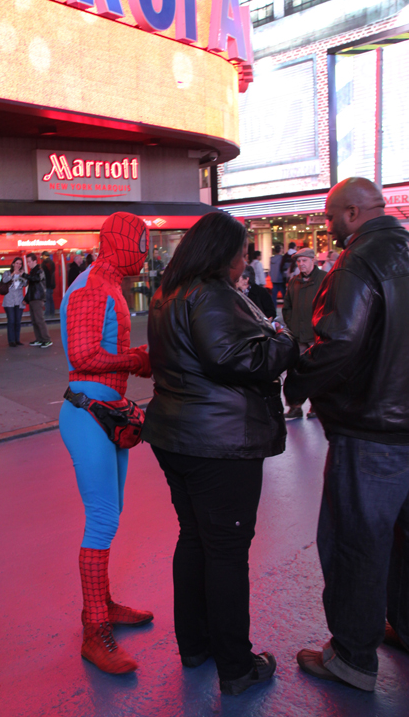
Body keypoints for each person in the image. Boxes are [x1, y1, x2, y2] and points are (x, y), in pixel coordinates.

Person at [142, 211, 299, 696]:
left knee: (195, 540)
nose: (245, 260)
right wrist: (284, 341)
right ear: (223, 253)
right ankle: (236, 666)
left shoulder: (170, 293)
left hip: (178, 436)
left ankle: (196, 645)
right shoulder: (209, 295)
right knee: (227, 552)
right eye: (242, 251)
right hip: (219, 442)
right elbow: (236, 358)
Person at [284, 177, 409, 692]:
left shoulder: (358, 263)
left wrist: (298, 382)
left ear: (354, 213)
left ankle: (352, 658)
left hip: (371, 430)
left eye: (332, 216)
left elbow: (337, 342)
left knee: (357, 542)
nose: (327, 225)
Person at [59, 212, 153, 676]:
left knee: (109, 515)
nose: (145, 251)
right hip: (90, 413)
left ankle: (101, 605)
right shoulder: (94, 286)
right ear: (120, 243)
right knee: (101, 519)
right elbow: (82, 355)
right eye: (140, 241)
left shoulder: (107, 283)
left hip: (104, 412)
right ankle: (94, 629)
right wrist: (136, 360)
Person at [282, 248, 327, 420]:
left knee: (318, 372)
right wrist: (292, 323)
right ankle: (295, 406)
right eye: (299, 261)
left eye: (304, 261)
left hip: (317, 335)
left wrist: (322, 326)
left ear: (313, 260)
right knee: (295, 372)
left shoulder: (324, 279)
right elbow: (287, 307)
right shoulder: (294, 281)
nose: (301, 264)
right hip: (298, 335)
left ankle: (317, 406)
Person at [22, 253, 52, 348]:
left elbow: (36, 279)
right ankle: (39, 339)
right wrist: (26, 299)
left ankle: (46, 339)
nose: (28, 263)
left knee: (39, 320)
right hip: (33, 298)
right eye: (27, 261)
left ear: (35, 261)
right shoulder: (33, 272)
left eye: (30, 261)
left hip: (38, 298)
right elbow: (32, 288)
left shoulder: (39, 271)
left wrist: (24, 274)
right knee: (35, 320)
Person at [1, 258, 26, 347]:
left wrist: (23, 275)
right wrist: (13, 274)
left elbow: (25, 283)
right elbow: (4, 280)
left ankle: (17, 339)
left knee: (18, 321)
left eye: (20, 264)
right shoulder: (7, 273)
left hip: (19, 301)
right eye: (17, 263)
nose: (18, 265)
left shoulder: (21, 274)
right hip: (9, 301)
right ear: (13, 264)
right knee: (11, 320)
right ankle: (11, 341)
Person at [41, 251, 56, 318]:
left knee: (47, 300)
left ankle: (47, 314)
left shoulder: (44, 263)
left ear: (44, 255)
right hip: (51, 284)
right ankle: (52, 313)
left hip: (46, 284)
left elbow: (43, 275)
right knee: (51, 300)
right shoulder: (52, 262)